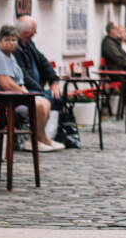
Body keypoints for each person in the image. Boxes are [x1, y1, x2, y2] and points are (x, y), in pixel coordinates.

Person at [0, 25, 63, 152]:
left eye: (14, 40)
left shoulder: (10, 56)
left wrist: (26, 93)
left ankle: (37, 139)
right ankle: (37, 140)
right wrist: (26, 94)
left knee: (45, 102)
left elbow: (19, 81)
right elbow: (6, 84)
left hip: (10, 97)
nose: (11, 43)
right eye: (7, 40)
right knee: (38, 105)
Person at [13, 15, 80, 149]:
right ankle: (39, 138)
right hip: (27, 89)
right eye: (34, 30)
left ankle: (48, 135)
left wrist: (54, 81)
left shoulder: (29, 44)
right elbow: (23, 76)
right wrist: (40, 90)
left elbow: (44, 62)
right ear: (26, 32)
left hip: (36, 88)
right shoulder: (16, 48)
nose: (36, 32)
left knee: (59, 96)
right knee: (48, 98)